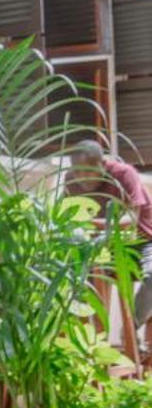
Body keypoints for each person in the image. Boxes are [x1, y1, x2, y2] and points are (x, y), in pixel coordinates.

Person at [67, 139, 152, 330]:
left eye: (89, 171)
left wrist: (89, 223)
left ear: (103, 165)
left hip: (142, 240)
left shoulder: (124, 174)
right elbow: (68, 217)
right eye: (77, 171)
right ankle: (92, 339)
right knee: (77, 276)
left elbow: (130, 220)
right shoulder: (70, 180)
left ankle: (131, 330)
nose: (83, 178)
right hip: (102, 245)